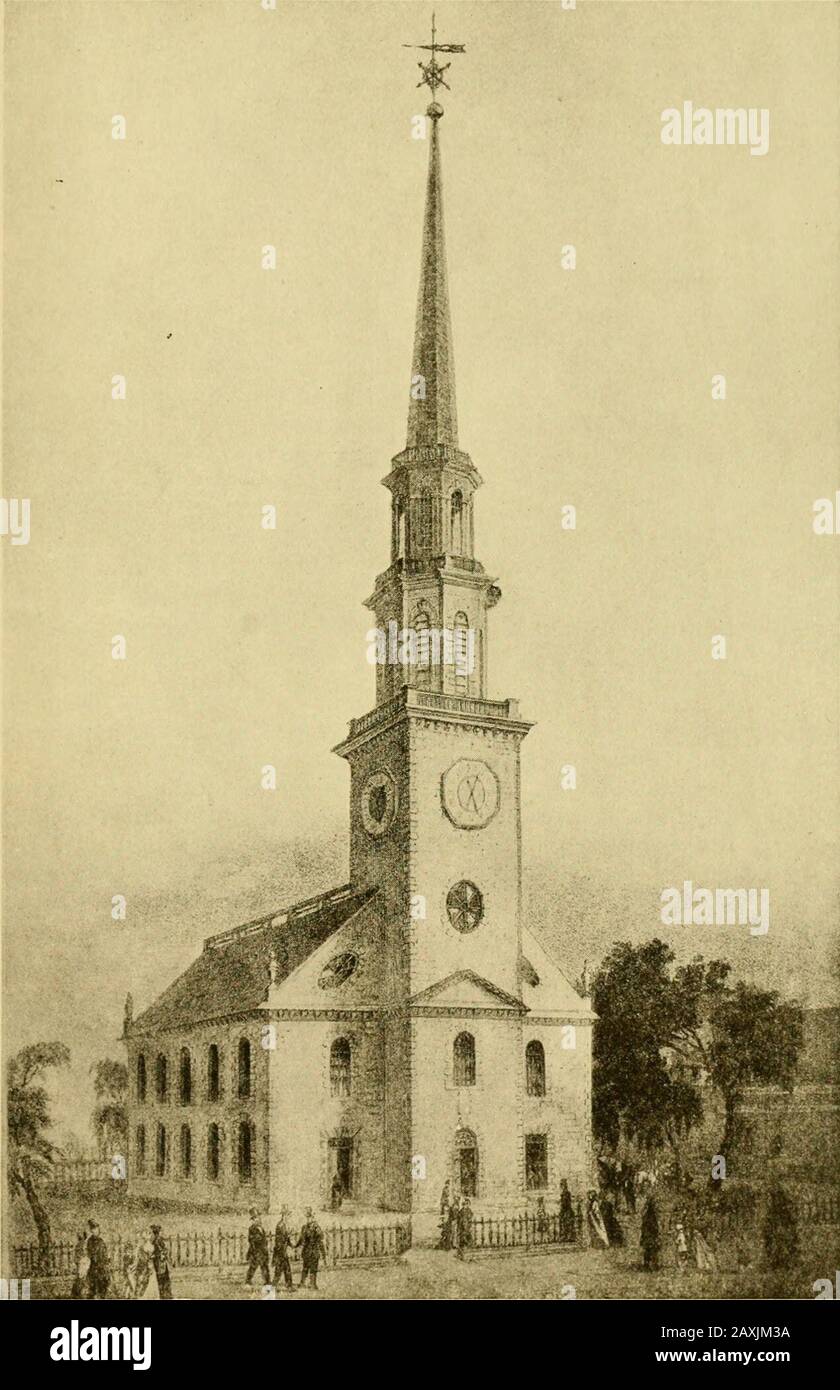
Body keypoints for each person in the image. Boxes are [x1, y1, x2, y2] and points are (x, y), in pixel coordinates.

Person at [297, 1209, 327, 1289]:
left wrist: (323, 1254)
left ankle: (312, 1284)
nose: (309, 1219)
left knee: (313, 1269)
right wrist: (296, 1246)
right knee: (305, 1267)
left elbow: (321, 1238)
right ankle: (302, 1283)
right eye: (307, 1217)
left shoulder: (316, 1227)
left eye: (310, 1217)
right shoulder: (304, 1227)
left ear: (313, 1217)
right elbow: (301, 1239)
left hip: (314, 1251)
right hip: (307, 1251)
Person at [245, 1208, 270, 1288]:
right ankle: (248, 1281)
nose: (257, 1219)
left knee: (264, 1266)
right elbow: (250, 1239)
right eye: (255, 1218)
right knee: (253, 1266)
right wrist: (257, 1237)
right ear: (253, 1220)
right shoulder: (251, 1229)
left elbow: (264, 1239)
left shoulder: (261, 1228)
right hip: (256, 1251)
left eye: (258, 1217)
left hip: (263, 1251)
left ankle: (267, 1282)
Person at [85, 1221, 110, 1299]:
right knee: (93, 1288)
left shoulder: (101, 1241)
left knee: (103, 1286)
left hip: (102, 1267)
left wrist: (107, 1260)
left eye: (98, 1229)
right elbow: (91, 1253)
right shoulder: (90, 1241)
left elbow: (105, 1252)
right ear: (92, 1230)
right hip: (95, 1267)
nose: (98, 1231)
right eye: (95, 1229)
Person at [273, 1208, 295, 1291]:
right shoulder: (280, 1225)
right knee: (279, 1270)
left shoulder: (284, 1225)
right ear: (284, 1215)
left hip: (283, 1251)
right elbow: (280, 1240)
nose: (289, 1217)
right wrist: (288, 1235)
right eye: (288, 1215)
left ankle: (289, 1286)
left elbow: (286, 1239)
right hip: (280, 1251)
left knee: (286, 1269)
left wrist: (291, 1245)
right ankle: (273, 1287)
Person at [150, 1225, 172, 1299]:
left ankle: (164, 1294)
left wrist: (162, 1255)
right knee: (161, 1277)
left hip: (160, 1262)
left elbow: (164, 1250)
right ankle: (164, 1294)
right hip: (158, 1261)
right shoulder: (155, 1240)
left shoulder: (158, 1239)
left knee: (162, 1277)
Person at [640, 1196, 661, 1271]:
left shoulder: (646, 1216)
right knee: (652, 1251)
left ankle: (647, 1265)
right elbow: (654, 1227)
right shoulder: (652, 1216)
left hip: (647, 1235)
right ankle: (652, 1266)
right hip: (650, 1235)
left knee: (648, 1251)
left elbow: (643, 1226)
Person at [71, 1232, 88, 1299]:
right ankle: (77, 1293)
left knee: (81, 1278)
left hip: (83, 1262)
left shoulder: (81, 1244)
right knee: (81, 1277)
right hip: (82, 1262)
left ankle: (77, 1293)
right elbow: (79, 1255)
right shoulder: (81, 1244)